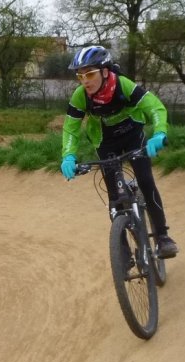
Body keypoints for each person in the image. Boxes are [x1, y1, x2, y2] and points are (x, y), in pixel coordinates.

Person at [60, 45, 178, 258]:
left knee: (145, 180)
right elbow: (71, 127)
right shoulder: (80, 96)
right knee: (114, 194)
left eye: (90, 74)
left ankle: (162, 237)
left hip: (133, 135)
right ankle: (122, 249)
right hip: (106, 142)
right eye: (80, 75)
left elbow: (155, 107)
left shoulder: (123, 85)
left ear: (105, 72)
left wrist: (159, 133)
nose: (85, 80)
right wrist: (68, 155)